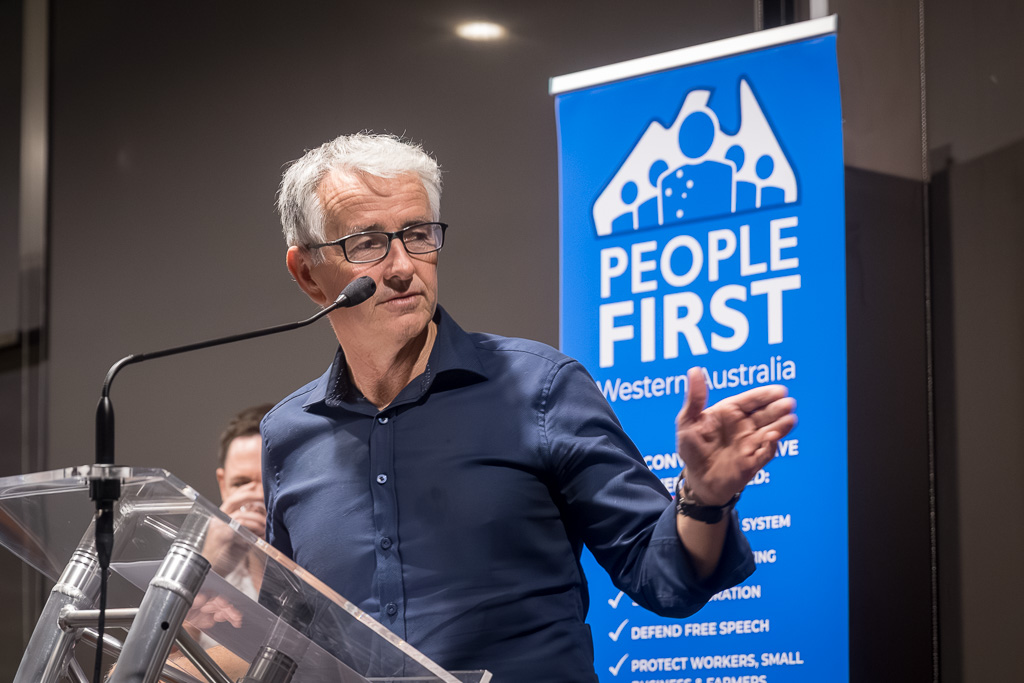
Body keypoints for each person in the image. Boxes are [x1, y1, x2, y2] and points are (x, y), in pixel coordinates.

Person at [261, 133, 796, 681]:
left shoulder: (541, 387)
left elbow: (663, 577)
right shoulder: (288, 435)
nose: (403, 266)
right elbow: (285, 637)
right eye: (369, 242)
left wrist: (703, 498)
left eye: (418, 235)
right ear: (307, 272)